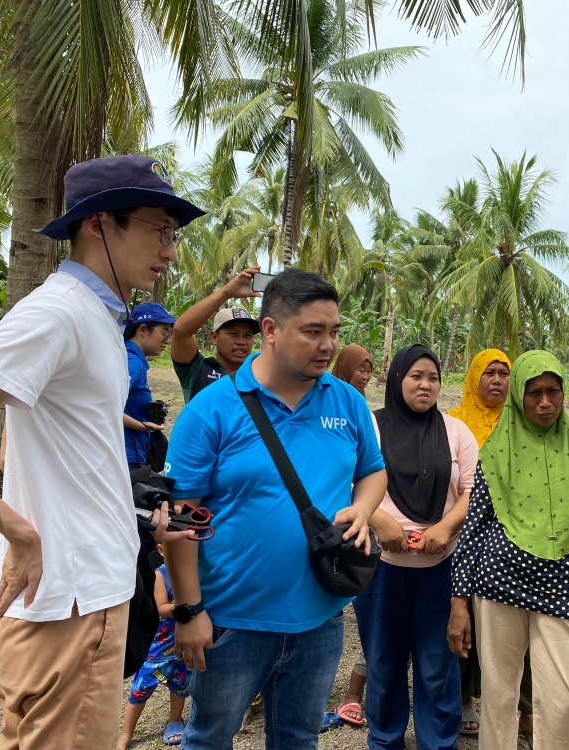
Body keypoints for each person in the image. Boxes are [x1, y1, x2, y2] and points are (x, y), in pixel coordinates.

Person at [0, 155, 204, 749]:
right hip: (72, 598)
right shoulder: (58, 313)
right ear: (99, 223)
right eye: (160, 230)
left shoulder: (99, 319)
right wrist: (17, 530)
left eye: (173, 234)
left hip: (79, 592)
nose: (170, 251)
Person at [163, 268, 388, 749]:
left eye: (334, 332)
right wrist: (189, 610)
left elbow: (373, 470)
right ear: (270, 329)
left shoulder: (347, 403)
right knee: (209, 739)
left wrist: (364, 508)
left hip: (321, 619)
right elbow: (180, 518)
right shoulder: (212, 409)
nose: (328, 345)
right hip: (231, 622)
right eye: (313, 331)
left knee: (299, 740)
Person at [448, 350, 569, 750]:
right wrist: (459, 601)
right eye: (534, 394)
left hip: (566, 585)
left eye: (553, 392)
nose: (545, 403)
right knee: (498, 697)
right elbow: (474, 526)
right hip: (499, 584)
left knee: (566, 699)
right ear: (519, 397)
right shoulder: (497, 446)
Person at [353, 345, 479, 750]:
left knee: (438, 662)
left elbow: (473, 491)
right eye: (416, 376)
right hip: (380, 568)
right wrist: (379, 520)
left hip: (441, 567)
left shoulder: (456, 431)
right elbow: (347, 480)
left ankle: (438, 742)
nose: (426, 385)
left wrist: (444, 528)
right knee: (383, 659)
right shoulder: (370, 426)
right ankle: (385, 739)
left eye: (433, 378)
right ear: (397, 379)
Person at [446, 348, 512, 736]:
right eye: (490, 372)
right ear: (474, 378)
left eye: (504, 373)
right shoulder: (453, 422)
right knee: (463, 614)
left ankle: (513, 703)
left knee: (508, 622)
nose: (498, 380)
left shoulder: (519, 422)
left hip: (510, 537)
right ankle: (463, 696)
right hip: (463, 533)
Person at [330, 342, 375, 727]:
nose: (366, 376)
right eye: (361, 368)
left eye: (370, 369)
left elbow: (372, 469)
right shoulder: (329, 401)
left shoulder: (360, 408)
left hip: (357, 516)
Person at [118, 549, 190, 748]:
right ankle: (126, 733)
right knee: (141, 688)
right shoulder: (160, 575)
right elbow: (162, 608)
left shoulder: (191, 572)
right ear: (161, 549)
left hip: (181, 645)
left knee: (180, 685)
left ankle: (175, 720)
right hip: (158, 647)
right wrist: (183, 605)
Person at [170, 267, 261, 402]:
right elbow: (181, 330)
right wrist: (226, 292)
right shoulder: (197, 370)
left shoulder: (260, 375)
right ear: (214, 337)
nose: (241, 341)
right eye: (233, 334)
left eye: (248, 335)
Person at [123, 302, 176, 469]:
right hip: (126, 456)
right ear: (143, 330)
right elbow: (103, 407)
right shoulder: (132, 363)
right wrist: (143, 426)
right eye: (164, 332)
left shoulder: (127, 356)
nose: (168, 340)